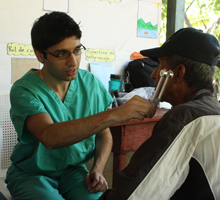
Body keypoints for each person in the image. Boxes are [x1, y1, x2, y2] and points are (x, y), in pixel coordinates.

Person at [99, 28, 220, 200]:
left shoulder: (185, 117)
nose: (153, 74)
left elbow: (133, 195)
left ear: (179, 73)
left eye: (160, 66)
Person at [6, 11, 156, 200]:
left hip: (73, 172)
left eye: (77, 50)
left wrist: (98, 169)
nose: (73, 61)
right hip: (32, 174)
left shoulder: (90, 83)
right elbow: (49, 137)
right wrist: (115, 114)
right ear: (39, 54)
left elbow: (104, 135)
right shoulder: (24, 90)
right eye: (61, 54)